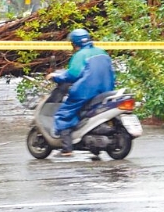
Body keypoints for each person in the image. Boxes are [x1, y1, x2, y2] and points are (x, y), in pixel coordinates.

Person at [47, 28, 115, 156]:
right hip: (106, 91)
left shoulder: (80, 55)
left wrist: (55, 76)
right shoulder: (101, 52)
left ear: (75, 43)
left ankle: (67, 148)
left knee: (64, 114)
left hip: (85, 91)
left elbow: (73, 74)